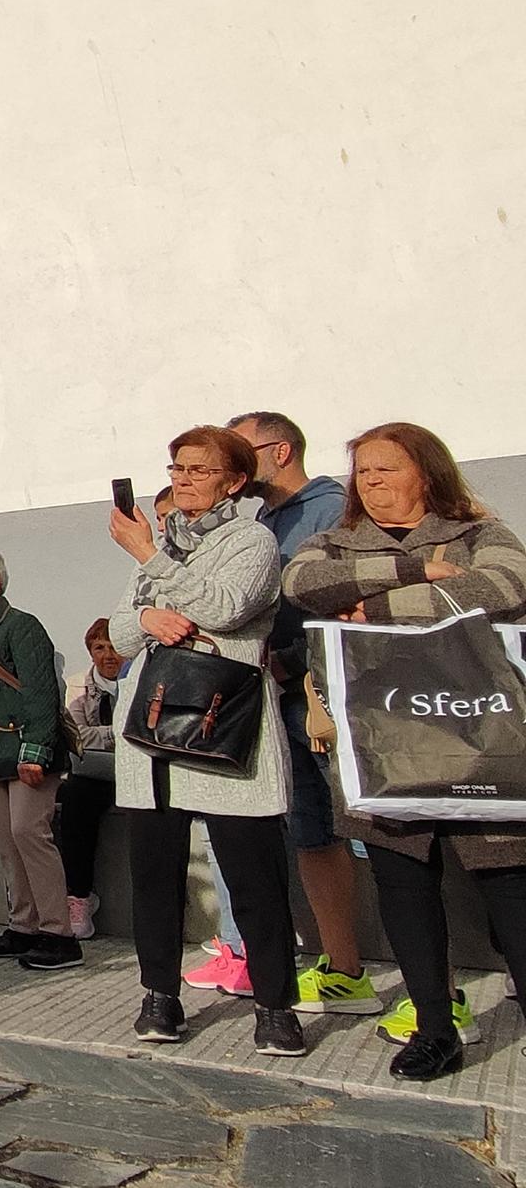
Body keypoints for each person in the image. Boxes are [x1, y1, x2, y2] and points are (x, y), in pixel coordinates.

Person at [282, 421, 526, 1080]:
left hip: (477, 736)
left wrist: (379, 607)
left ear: (427, 471)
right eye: (365, 471)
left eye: (388, 468)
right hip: (381, 742)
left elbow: (506, 587)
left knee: (509, 885)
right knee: (403, 883)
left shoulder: (479, 532)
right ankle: (434, 1027)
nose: (374, 481)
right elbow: (303, 586)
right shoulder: (331, 543)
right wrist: (415, 570)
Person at [108, 425, 306, 1057]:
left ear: (235, 480)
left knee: (255, 877)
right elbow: (116, 632)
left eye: (197, 469)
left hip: (227, 728)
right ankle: (160, 994)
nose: (182, 479)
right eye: (176, 467)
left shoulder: (252, 540)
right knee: (154, 877)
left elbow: (224, 606)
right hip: (153, 732)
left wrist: (151, 562)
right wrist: (146, 616)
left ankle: (276, 1004)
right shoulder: (163, 543)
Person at [228, 410, 379, 1018]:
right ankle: (345, 969)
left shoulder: (332, 510)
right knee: (310, 834)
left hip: (329, 697)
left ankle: (438, 992)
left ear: (281, 450)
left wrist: (292, 660)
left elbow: (345, 606)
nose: (232, 469)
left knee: (385, 837)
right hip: (283, 699)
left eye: (241, 453)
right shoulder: (265, 519)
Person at [0, 549, 79, 972]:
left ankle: (58, 933)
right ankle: (23, 925)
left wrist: (36, 751)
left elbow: (43, 694)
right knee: (6, 840)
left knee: (29, 833)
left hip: (26, 752)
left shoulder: (23, 627)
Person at [55, 619, 122, 940]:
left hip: (138, 770)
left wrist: (101, 736)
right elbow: (77, 736)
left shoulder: (139, 680)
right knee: (74, 797)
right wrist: (120, 733)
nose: (108, 655)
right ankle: (79, 897)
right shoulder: (77, 686)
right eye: (100, 648)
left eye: (115, 647)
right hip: (95, 771)